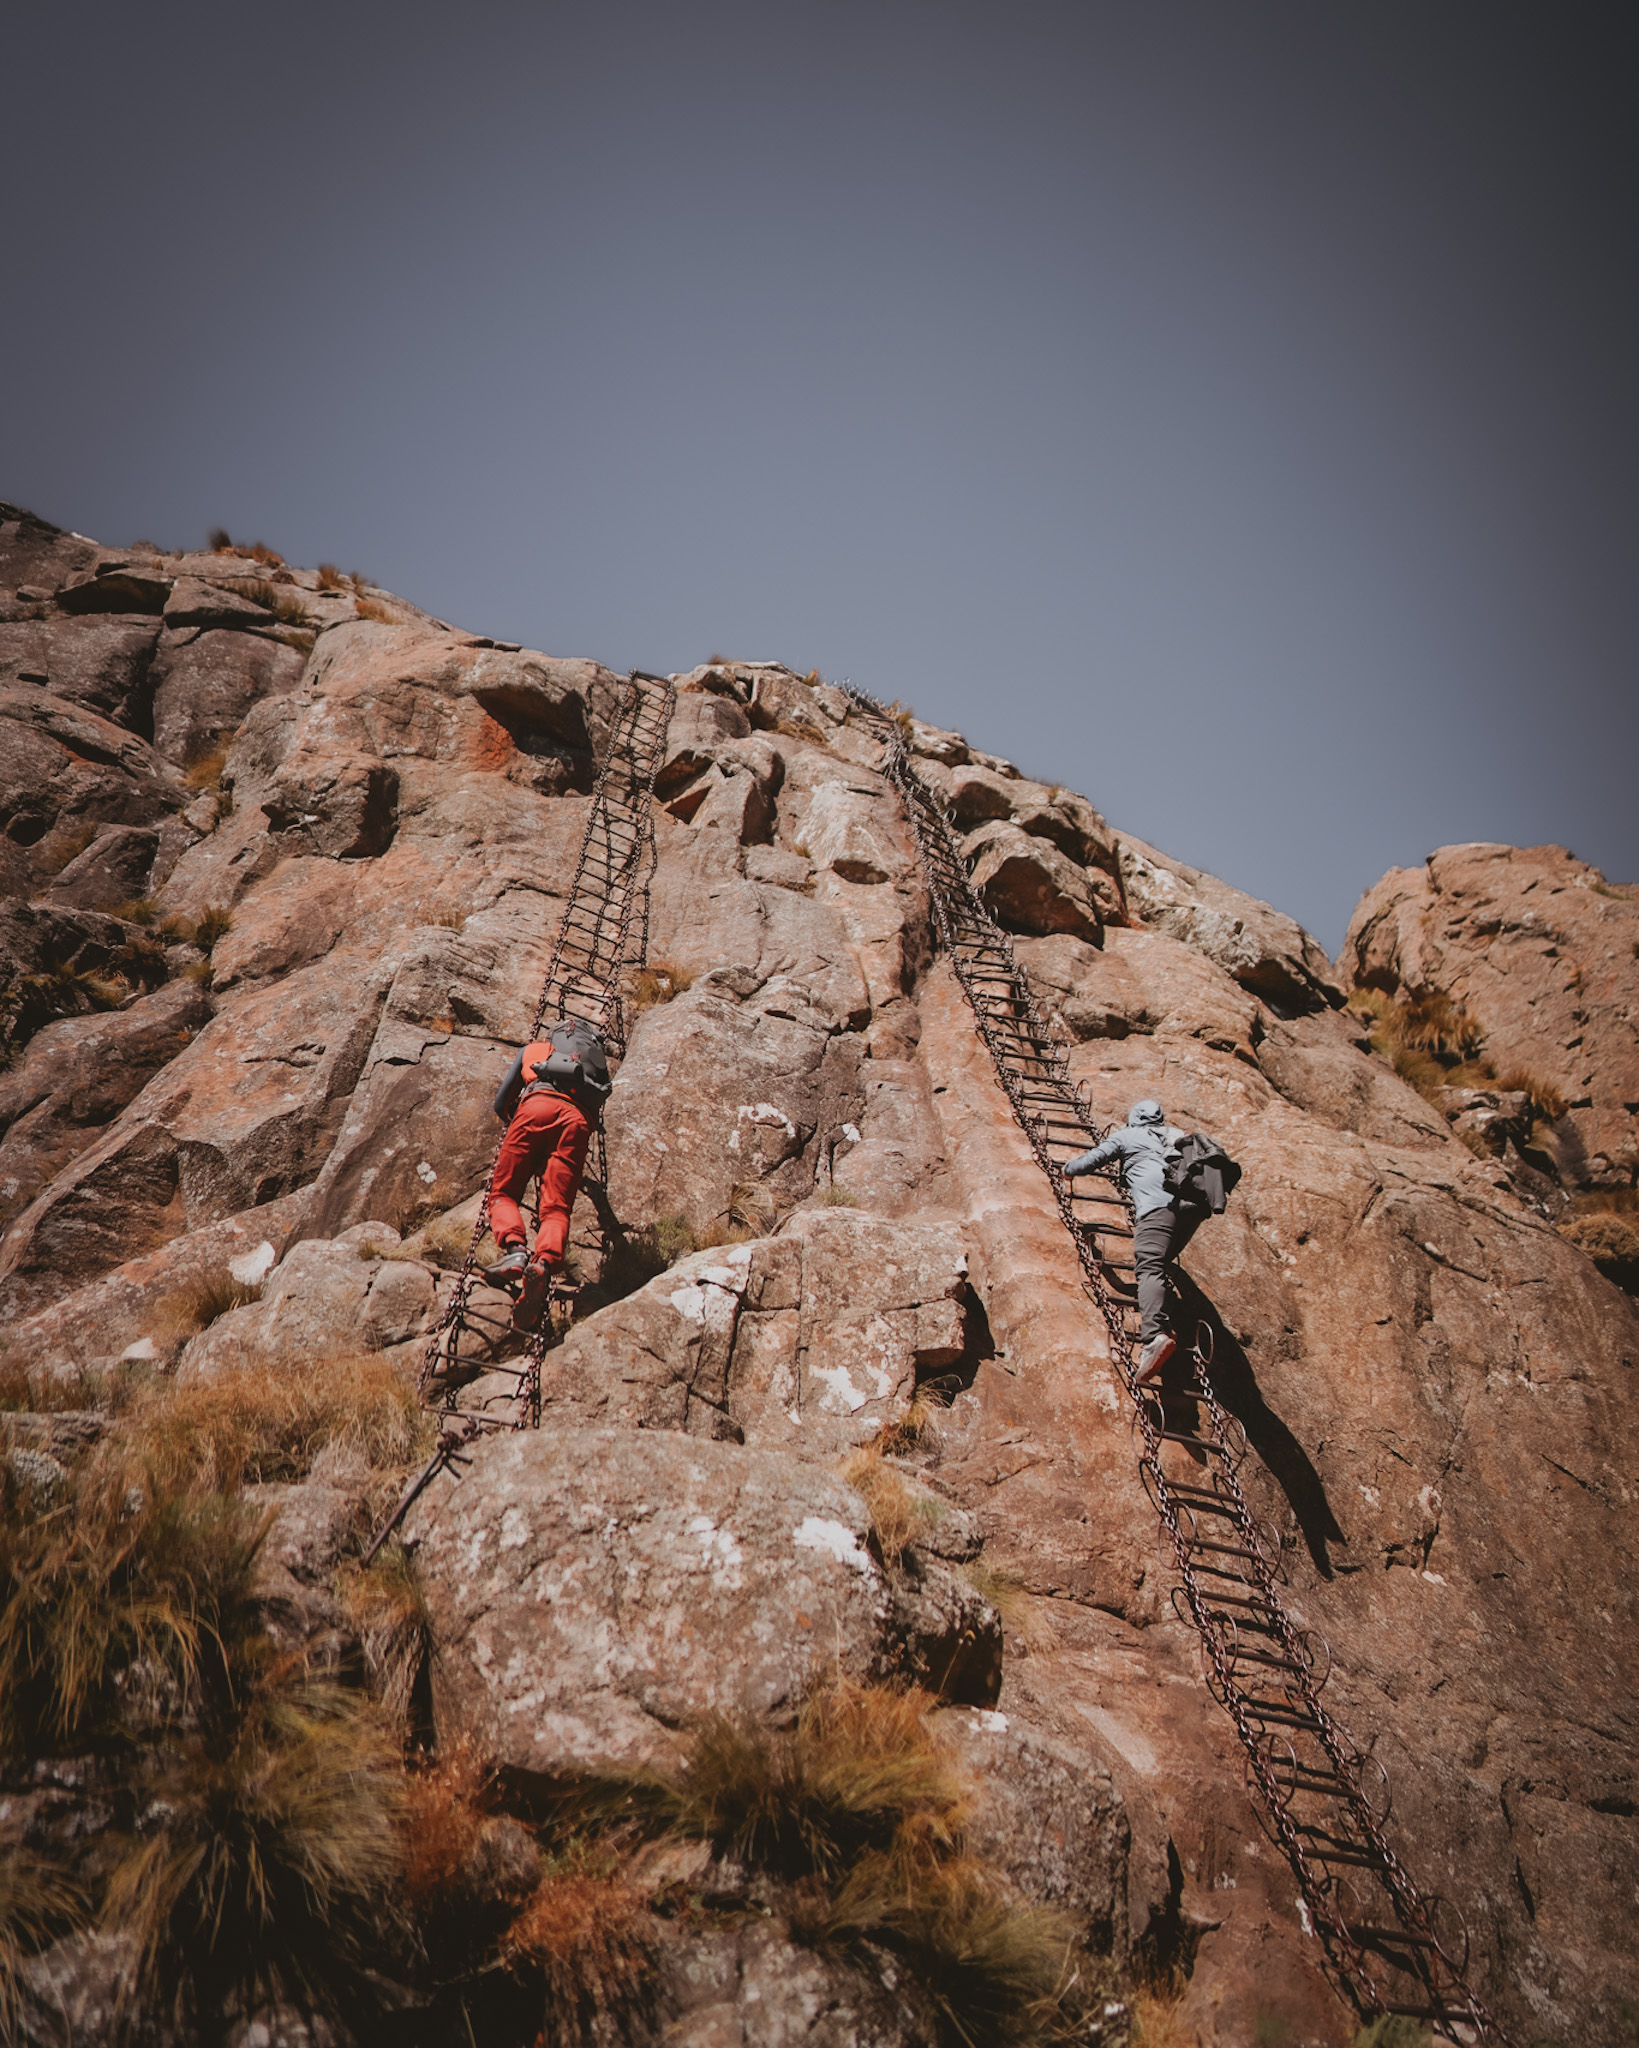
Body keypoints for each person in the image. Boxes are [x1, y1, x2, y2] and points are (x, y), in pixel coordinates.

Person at [1061, 1099, 1209, 1385]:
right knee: (1160, 1264)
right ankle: (1164, 1324)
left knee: (1149, 1267)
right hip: (1193, 1209)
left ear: (1133, 1118)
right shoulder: (1177, 1134)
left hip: (1157, 1207)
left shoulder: (1127, 1135)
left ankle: (1154, 1336)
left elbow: (1093, 1160)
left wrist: (1068, 1169)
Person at [483, 1019, 611, 1330]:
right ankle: (542, 1264)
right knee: (556, 1208)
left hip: (535, 1107)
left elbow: (501, 1102)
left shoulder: (535, 1050)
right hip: (576, 1120)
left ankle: (515, 1250)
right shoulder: (593, 1064)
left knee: (504, 1192)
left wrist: (519, 1127)